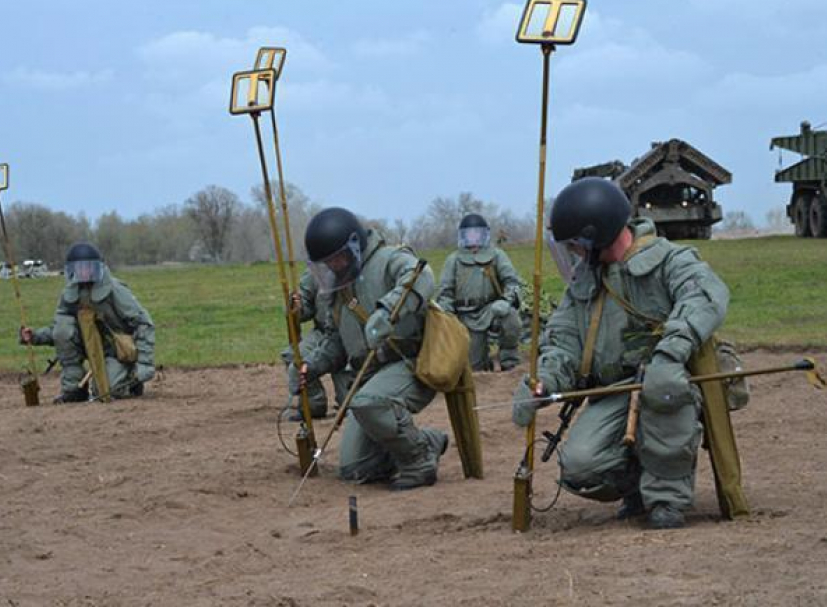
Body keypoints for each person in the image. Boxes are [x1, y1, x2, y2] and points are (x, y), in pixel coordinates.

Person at [512, 178, 730, 529]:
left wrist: (670, 353)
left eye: (577, 244)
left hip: (670, 379)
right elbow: (563, 341)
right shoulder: (585, 280)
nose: (574, 253)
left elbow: (706, 295)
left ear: (595, 234)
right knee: (581, 465)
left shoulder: (669, 260)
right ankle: (637, 487)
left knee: (663, 390)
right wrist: (544, 380)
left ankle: (667, 498)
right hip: (615, 389)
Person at [289, 206, 448, 490]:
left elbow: (422, 277)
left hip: (412, 362)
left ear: (354, 245)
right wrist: (313, 366)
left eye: (337, 258)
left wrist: (388, 310)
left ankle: (419, 461)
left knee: (368, 402)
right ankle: (427, 441)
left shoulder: (389, 259)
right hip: (369, 375)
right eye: (328, 262)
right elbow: (338, 341)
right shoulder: (337, 288)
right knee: (354, 468)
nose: (334, 266)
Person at [20, 242, 156, 403]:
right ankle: (73, 390)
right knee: (63, 327)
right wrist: (34, 336)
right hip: (88, 345)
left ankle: (132, 380)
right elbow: (60, 332)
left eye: (88, 267)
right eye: (80, 268)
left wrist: (144, 363)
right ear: (72, 270)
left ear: (97, 267)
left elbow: (143, 323)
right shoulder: (69, 295)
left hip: (117, 351)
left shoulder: (115, 290)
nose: (84, 272)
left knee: (105, 391)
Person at [436, 213, 522, 371]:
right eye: (469, 234)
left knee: (510, 317)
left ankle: (509, 361)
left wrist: (506, 300)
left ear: (484, 235)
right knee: (474, 367)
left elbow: (513, 282)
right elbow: (445, 292)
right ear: (462, 236)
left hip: (491, 310)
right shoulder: (453, 260)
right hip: (464, 317)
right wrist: (448, 316)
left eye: (477, 234)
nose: (473, 238)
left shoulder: (497, 255)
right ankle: (485, 363)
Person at [282, 267, 353, 420]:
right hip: (322, 332)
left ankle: (348, 401)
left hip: (350, 334)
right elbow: (305, 307)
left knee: (352, 408)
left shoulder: (357, 267)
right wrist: (297, 307)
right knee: (295, 358)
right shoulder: (315, 271)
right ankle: (314, 405)